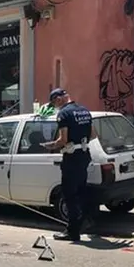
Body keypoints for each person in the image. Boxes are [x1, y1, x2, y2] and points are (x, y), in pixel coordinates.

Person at [40, 88, 98, 241]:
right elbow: (93, 134)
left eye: (54, 103)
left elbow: (63, 140)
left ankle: (72, 232)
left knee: (69, 195)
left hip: (71, 157)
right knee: (81, 192)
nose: (55, 107)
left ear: (58, 99)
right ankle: (86, 221)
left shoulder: (64, 114)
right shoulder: (85, 111)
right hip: (84, 155)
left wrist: (50, 146)